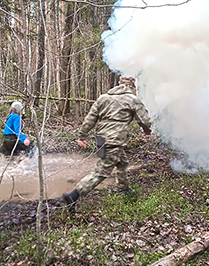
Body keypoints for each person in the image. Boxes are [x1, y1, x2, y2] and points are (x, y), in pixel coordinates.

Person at [62, 76, 152, 207]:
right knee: (102, 171)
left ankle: (124, 189)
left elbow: (90, 118)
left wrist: (82, 136)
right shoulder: (132, 99)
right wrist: (147, 130)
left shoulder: (103, 98)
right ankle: (74, 195)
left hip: (101, 139)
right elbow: (144, 120)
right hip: (114, 140)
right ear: (131, 86)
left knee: (122, 163)